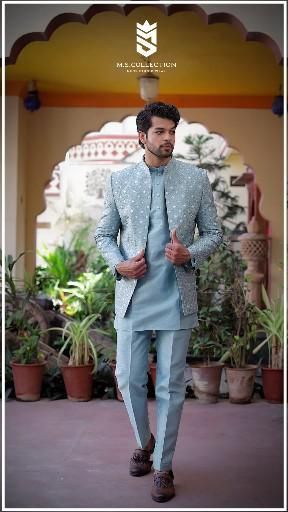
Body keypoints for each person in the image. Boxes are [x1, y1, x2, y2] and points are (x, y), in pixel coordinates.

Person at [94, 102, 223, 502]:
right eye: (161, 132)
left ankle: (163, 466)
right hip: (132, 296)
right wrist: (119, 265)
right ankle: (144, 441)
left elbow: (214, 233)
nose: (168, 138)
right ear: (142, 136)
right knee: (127, 380)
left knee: (170, 386)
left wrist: (190, 254)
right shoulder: (119, 181)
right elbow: (104, 235)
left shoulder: (196, 178)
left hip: (176, 294)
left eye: (172, 131)